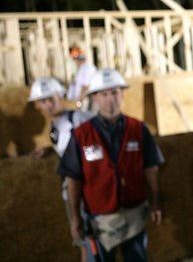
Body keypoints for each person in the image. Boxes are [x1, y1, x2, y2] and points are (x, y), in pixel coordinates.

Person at [58, 68, 165, 262]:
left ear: (122, 94)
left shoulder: (138, 129)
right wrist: (75, 217)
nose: (110, 99)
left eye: (115, 92)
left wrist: (155, 202)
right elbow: (73, 177)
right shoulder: (81, 136)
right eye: (104, 94)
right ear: (95, 98)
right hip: (99, 221)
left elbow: (151, 168)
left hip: (134, 215)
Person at [28, 77, 92, 261]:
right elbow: (69, 148)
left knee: (89, 242)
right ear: (38, 105)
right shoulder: (54, 127)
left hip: (86, 190)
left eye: (51, 99)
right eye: (43, 101)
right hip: (72, 191)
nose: (48, 104)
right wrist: (52, 149)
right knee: (83, 240)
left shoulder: (79, 118)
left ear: (60, 96)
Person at [67, 46, 97, 111]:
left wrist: (79, 103)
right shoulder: (81, 69)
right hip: (83, 101)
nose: (74, 62)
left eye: (74, 59)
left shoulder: (87, 68)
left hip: (87, 101)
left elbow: (85, 87)